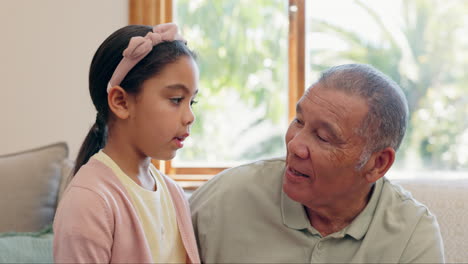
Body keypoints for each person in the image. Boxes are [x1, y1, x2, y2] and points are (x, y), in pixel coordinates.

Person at [189, 64, 445, 263]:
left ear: (378, 163)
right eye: (298, 121)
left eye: (324, 137)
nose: (295, 146)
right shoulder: (225, 197)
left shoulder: (412, 234)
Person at [53, 23, 200, 263]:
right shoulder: (88, 201)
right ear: (121, 102)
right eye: (176, 99)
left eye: (191, 102)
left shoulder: (173, 194)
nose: (190, 117)